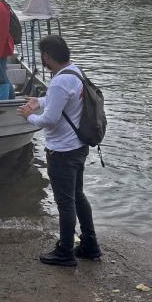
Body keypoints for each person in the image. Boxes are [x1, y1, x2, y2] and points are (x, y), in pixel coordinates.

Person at [18, 35, 101, 266]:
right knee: (78, 196)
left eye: (42, 56)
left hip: (62, 151)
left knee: (65, 202)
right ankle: (90, 244)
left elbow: (50, 120)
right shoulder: (75, 72)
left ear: (46, 56)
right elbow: (62, 101)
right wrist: (40, 100)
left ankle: (65, 251)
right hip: (78, 146)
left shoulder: (59, 81)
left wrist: (29, 116)